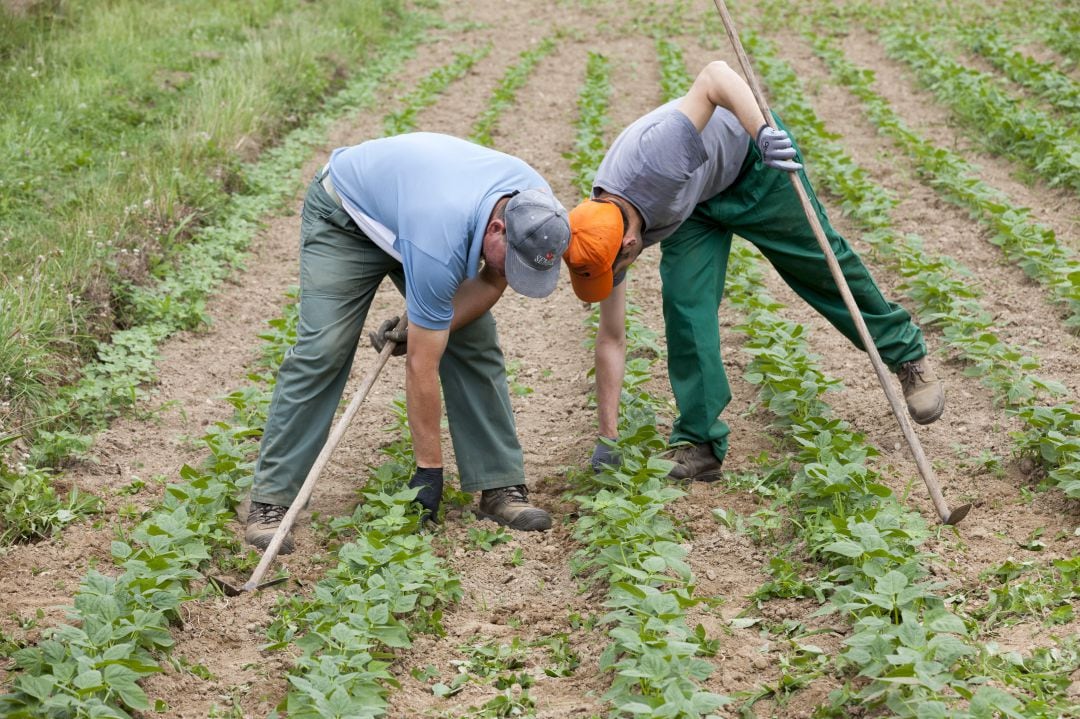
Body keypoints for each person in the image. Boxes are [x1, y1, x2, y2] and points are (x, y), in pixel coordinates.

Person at [564, 61, 944, 481]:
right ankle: (700, 440)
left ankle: (906, 356)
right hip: (695, 204)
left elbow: (714, 75)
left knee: (819, 264)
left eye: (614, 269)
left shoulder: (659, 159)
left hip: (754, 164)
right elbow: (611, 336)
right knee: (685, 305)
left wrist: (762, 132)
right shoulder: (597, 234)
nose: (613, 276)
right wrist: (607, 436)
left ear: (631, 245)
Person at [245, 132, 570, 554]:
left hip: (415, 217)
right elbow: (421, 365)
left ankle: (499, 485)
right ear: (496, 228)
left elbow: (494, 277)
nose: (515, 273)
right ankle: (271, 500)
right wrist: (428, 472)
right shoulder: (441, 236)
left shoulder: (537, 213)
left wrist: (424, 323)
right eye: (514, 262)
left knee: (475, 343)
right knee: (323, 349)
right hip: (346, 217)